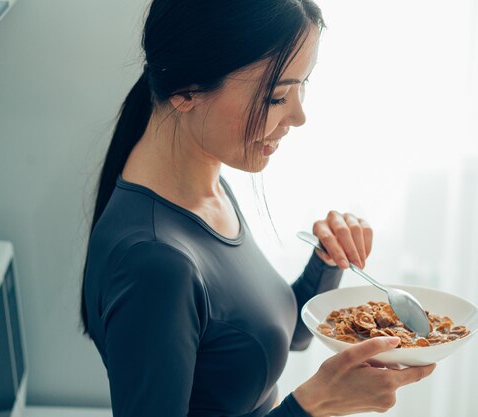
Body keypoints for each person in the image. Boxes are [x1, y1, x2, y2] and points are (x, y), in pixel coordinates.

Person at [80, 1, 436, 416]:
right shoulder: (155, 263)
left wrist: (327, 260)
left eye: (302, 87)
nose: (299, 116)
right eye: (276, 96)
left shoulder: (208, 188)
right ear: (186, 91)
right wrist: (312, 405)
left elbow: (271, 337)